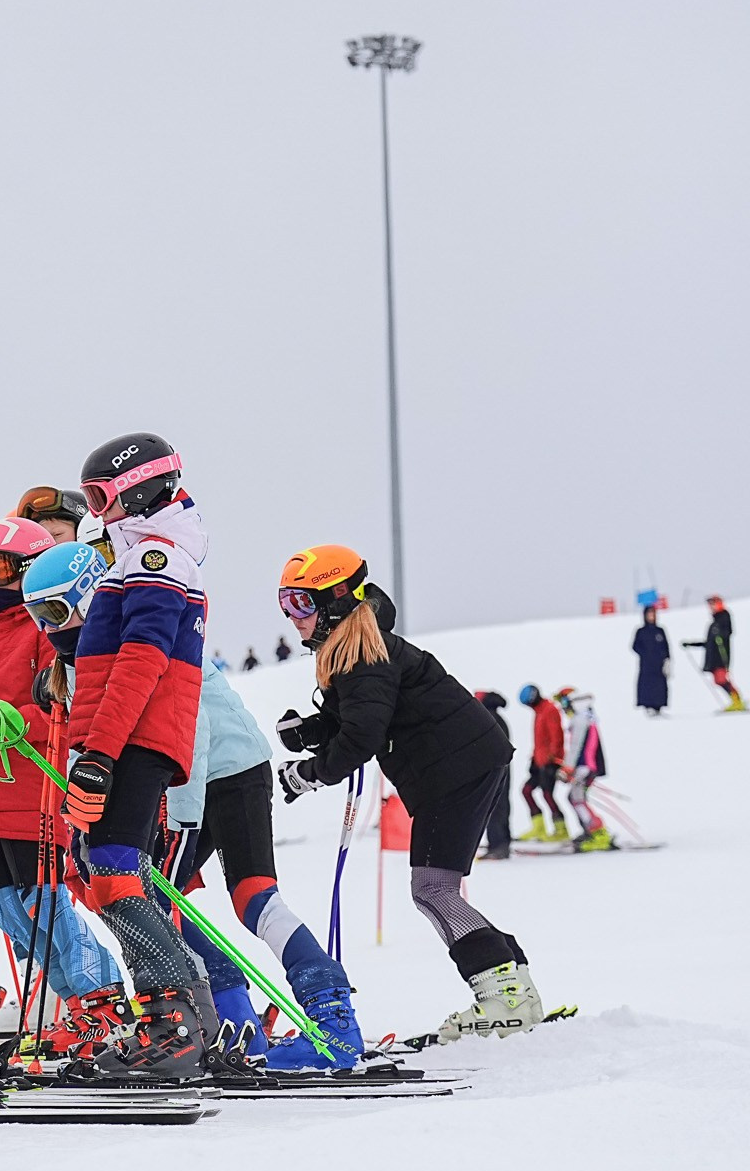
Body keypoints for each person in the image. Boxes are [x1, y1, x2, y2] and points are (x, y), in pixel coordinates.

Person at [275, 546, 543, 1043]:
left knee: (433, 889)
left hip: (455, 770)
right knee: (432, 890)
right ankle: (510, 988)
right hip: (458, 767)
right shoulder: (362, 649)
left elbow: (362, 737)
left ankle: (506, 994)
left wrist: (308, 772)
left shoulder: (363, 657)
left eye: (301, 604)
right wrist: (310, 732)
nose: (293, 618)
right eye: (285, 605)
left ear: (334, 600)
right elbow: (362, 716)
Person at [60, 432, 220, 1079]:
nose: (99, 514)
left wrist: (100, 750)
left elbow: (142, 661)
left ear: (142, 487)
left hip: (134, 736)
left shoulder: (157, 556)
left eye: (105, 497)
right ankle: (187, 1017)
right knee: (111, 871)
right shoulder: (148, 555)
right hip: (127, 735)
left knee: (116, 873)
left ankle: (171, 1024)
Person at [0, 527, 126, 1060]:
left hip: (29, 795)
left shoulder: (46, 631)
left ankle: (102, 998)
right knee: (8, 912)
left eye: (3, 568)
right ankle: (78, 1008)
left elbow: (63, 711)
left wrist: (5, 714)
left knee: (44, 906)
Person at [171, 656, 365, 1070]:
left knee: (246, 898)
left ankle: (329, 1019)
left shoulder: (139, 618)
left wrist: (177, 816)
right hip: (207, 770)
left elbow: (190, 722)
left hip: (214, 770)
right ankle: (239, 1020)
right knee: (153, 897)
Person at [560, 688, 613, 852]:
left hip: (584, 767)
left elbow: (576, 746)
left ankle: (598, 833)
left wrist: (568, 768)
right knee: (575, 798)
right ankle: (589, 830)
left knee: (577, 799)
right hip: (586, 766)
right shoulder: (588, 717)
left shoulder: (580, 720)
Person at [518, 683, 568, 843]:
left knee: (547, 794)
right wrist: (534, 758)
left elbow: (557, 737)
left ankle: (561, 830)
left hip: (550, 762)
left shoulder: (549, 709)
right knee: (527, 790)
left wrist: (553, 759)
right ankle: (538, 828)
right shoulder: (539, 711)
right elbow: (540, 741)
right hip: (539, 762)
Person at [473, 691, 514, 860]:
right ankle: (501, 843)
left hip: (494, 770)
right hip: (502, 769)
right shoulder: (497, 717)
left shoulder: (488, 718)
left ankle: (498, 846)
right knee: (501, 806)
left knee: (494, 808)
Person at [687, 596, 743, 712]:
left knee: (721, 679)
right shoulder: (713, 623)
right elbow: (708, 642)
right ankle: (735, 699)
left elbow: (727, 632)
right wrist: (691, 644)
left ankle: (737, 699)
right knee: (718, 680)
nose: (711, 607)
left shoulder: (724, 617)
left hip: (721, 655)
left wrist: (720, 634)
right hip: (713, 657)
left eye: (713, 604)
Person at [632, 607, 671, 716]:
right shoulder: (641, 631)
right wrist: (645, 653)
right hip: (646, 665)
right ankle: (648, 706)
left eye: (653, 614)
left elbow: (666, 647)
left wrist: (667, 660)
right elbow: (635, 646)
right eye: (649, 614)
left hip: (659, 665)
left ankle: (659, 706)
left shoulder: (660, 631)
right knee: (647, 685)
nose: (651, 617)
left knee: (660, 685)